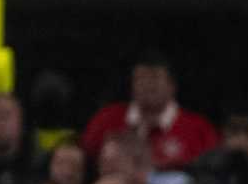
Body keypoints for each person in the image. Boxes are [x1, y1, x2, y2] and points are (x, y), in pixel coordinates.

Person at [81, 55, 220, 169]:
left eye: (154, 77)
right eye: (141, 78)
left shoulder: (199, 128)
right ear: (132, 85)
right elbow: (85, 160)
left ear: (172, 86)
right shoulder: (107, 119)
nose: (147, 84)